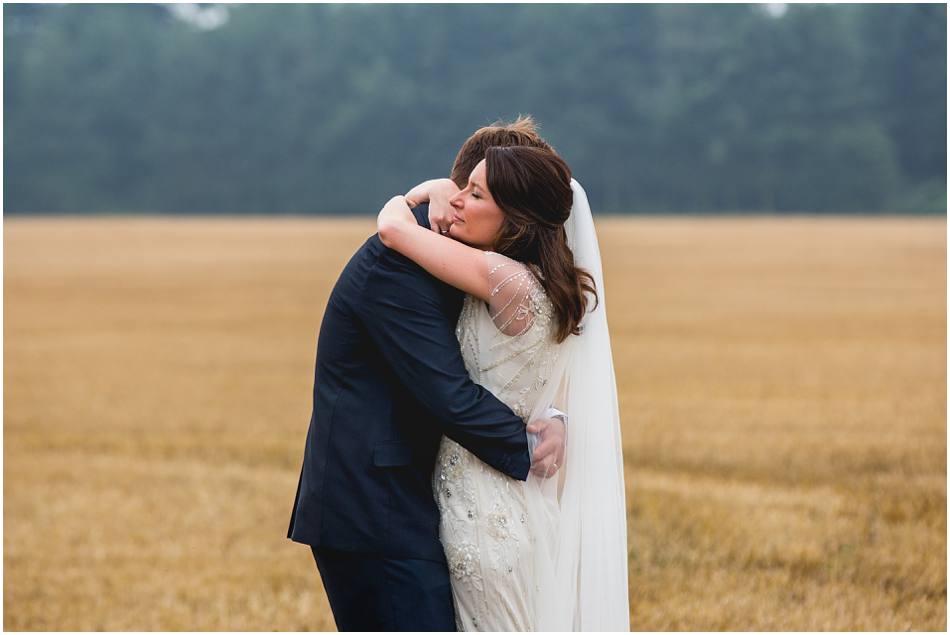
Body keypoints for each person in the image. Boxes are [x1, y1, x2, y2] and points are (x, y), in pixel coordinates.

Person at [286, 118, 568, 631]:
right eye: (464, 189)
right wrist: (527, 445)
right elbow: (447, 393)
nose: (459, 201)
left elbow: (511, 361)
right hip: (374, 507)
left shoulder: (471, 263)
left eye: (475, 193)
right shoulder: (400, 265)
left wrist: (554, 414)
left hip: (418, 499)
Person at [377, 141, 629, 630]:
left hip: (477, 513)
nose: (458, 203)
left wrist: (404, 202)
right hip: (515, 503)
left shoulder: (501, 277)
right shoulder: (546, 286)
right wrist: (557, 418)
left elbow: (391, 230)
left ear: (514, 222)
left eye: (476, 195)